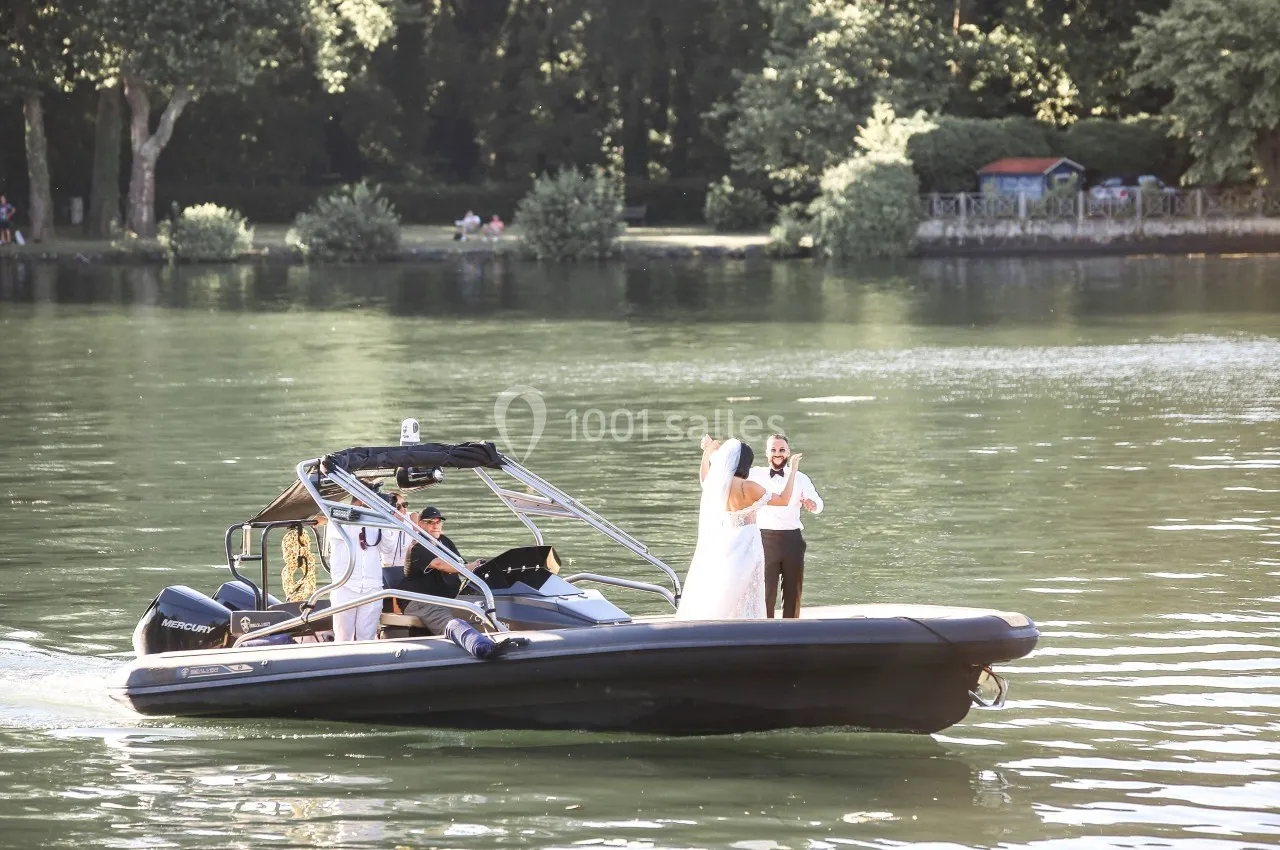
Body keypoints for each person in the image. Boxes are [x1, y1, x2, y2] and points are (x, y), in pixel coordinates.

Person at [675, 436, 802, 620]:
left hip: (730, 541)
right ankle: (750, 622)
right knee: (750, 588)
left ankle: (728, 622)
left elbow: (704, 479)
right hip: (749, 541)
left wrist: (707, 453)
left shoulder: (718, 485)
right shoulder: (749, 487)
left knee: (729, 585)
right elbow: (784, 500)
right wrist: (793, 471)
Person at [749, 434, 824, 619]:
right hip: (765, 539)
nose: (778, 454)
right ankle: (764, 629)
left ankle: (792, 629)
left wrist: (812, 504)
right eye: (773, 450)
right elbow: (731, 474)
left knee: (793, 592)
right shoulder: (755, 474)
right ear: (767, 453)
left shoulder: (800, 478)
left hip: (792, 539)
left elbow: (818, 503)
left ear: (788, 452)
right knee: (765, 592)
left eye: (782, 450)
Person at [399, 506, 487, 634]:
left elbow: (461, 563)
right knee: (455, 624)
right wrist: (467, 567)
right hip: (421, 601)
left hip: (446, 599)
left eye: (438, 522)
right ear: (420, 524)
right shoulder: (417, 545)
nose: (435, 526)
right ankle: (473, 640)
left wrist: (477, 566)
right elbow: (439, 564)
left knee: (480, 614)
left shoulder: (444, 541)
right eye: (430, 522)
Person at [321, 499, 386, 641]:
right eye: (363, 503)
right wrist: (356, 514)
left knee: (367, 638)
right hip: (346, 586)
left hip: (372, 587)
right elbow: (341, 532)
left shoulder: (376, 521)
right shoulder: (338, 519)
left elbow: (387, 548)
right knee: (343, 638)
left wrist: (385, 517)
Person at [377, 492, 414, 613]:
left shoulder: (412, 519)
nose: (403, 509)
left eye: (404, 504)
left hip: (406, 570)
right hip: (386, 569)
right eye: (398, 506)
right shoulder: (382, 522)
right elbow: (386, 548)